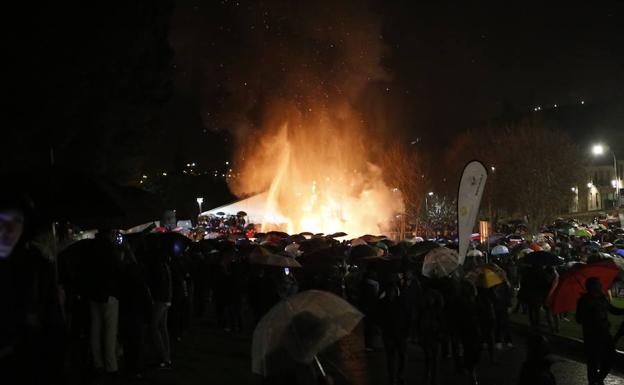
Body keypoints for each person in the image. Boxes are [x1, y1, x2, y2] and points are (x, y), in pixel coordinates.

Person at [87, 229, 122, 375]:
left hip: (93, 294)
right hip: (108, 294)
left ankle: (97, 362)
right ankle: (111, 364)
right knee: (109, 331)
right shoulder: (110, 251)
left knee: (95, 329)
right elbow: (117, 271)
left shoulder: (91, 249)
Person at [576, 277, 624, 385]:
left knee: (611, 357)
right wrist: (590, 313)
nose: (601, 286)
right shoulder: (584, 301)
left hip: (605, 334)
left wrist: (622, 310)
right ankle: (593, 381)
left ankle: (599, 378)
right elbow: (579, 319)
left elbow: (611, 309)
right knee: (593, 361)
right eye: (598, 284)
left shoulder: (602, 298)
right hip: (591, 336)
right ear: (592, 286)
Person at [118, 243, 152, 379]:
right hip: (136, 311)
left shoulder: (123, 272)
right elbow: (145, 294)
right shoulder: (138, 272)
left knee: (129, 342)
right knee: (136, 343)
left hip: (128, 311)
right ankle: (135, 368)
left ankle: (130, 368)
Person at [378, 279, 409, 385]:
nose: (391, 293)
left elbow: (406, 318)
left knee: (402, 356)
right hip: (388, 335)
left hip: (400, 334)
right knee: (390, 357)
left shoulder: (400, 303)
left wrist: (406, 332)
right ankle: (392, 376)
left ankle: (400, 374)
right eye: (389, 291)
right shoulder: (382, 304)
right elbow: (379, 318)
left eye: (392, 291)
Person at [148, 248, 173, 369]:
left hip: (160, 299)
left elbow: (158, 283)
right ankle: (166, 356)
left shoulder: (158, 267)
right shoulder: (165, 266)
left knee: (154, 326)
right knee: (162, 327)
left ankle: (163, 356)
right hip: (165, 299)